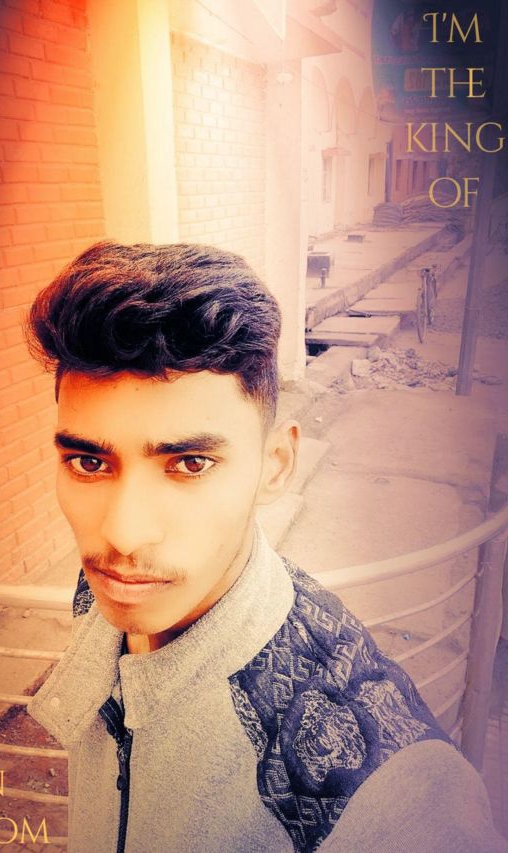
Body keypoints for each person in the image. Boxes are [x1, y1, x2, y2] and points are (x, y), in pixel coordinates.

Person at [27, 241, 506, 853]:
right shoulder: (107, 590)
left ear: (275, 465)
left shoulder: (387, 798)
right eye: (89, 462)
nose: (122, 535)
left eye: (190, 463)